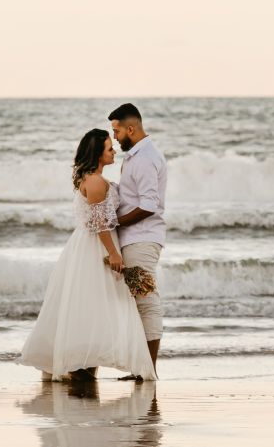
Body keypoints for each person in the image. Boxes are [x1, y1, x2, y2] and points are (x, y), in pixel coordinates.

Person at [17, 128, 156, 381]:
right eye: (108, 149)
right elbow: (99, 223)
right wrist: (114, 253)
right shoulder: (94, 181)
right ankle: (80, 364)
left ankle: (86, 363)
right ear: (97, 154)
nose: (113, 151)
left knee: (91, 305)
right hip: (94, 247)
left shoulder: (96, 179)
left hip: (93, 244)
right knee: (90, 303)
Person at [108, 103, 167, 378]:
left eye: (117, 130)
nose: (115, 137)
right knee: (138, 301)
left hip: (142, 239)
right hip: (134, 239)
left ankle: (148, 370)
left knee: (146, 300)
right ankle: (141, 368)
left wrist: (116, 222)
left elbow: (148, 205)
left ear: (131, 128)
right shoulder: (135, 156)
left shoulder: (144, 158)